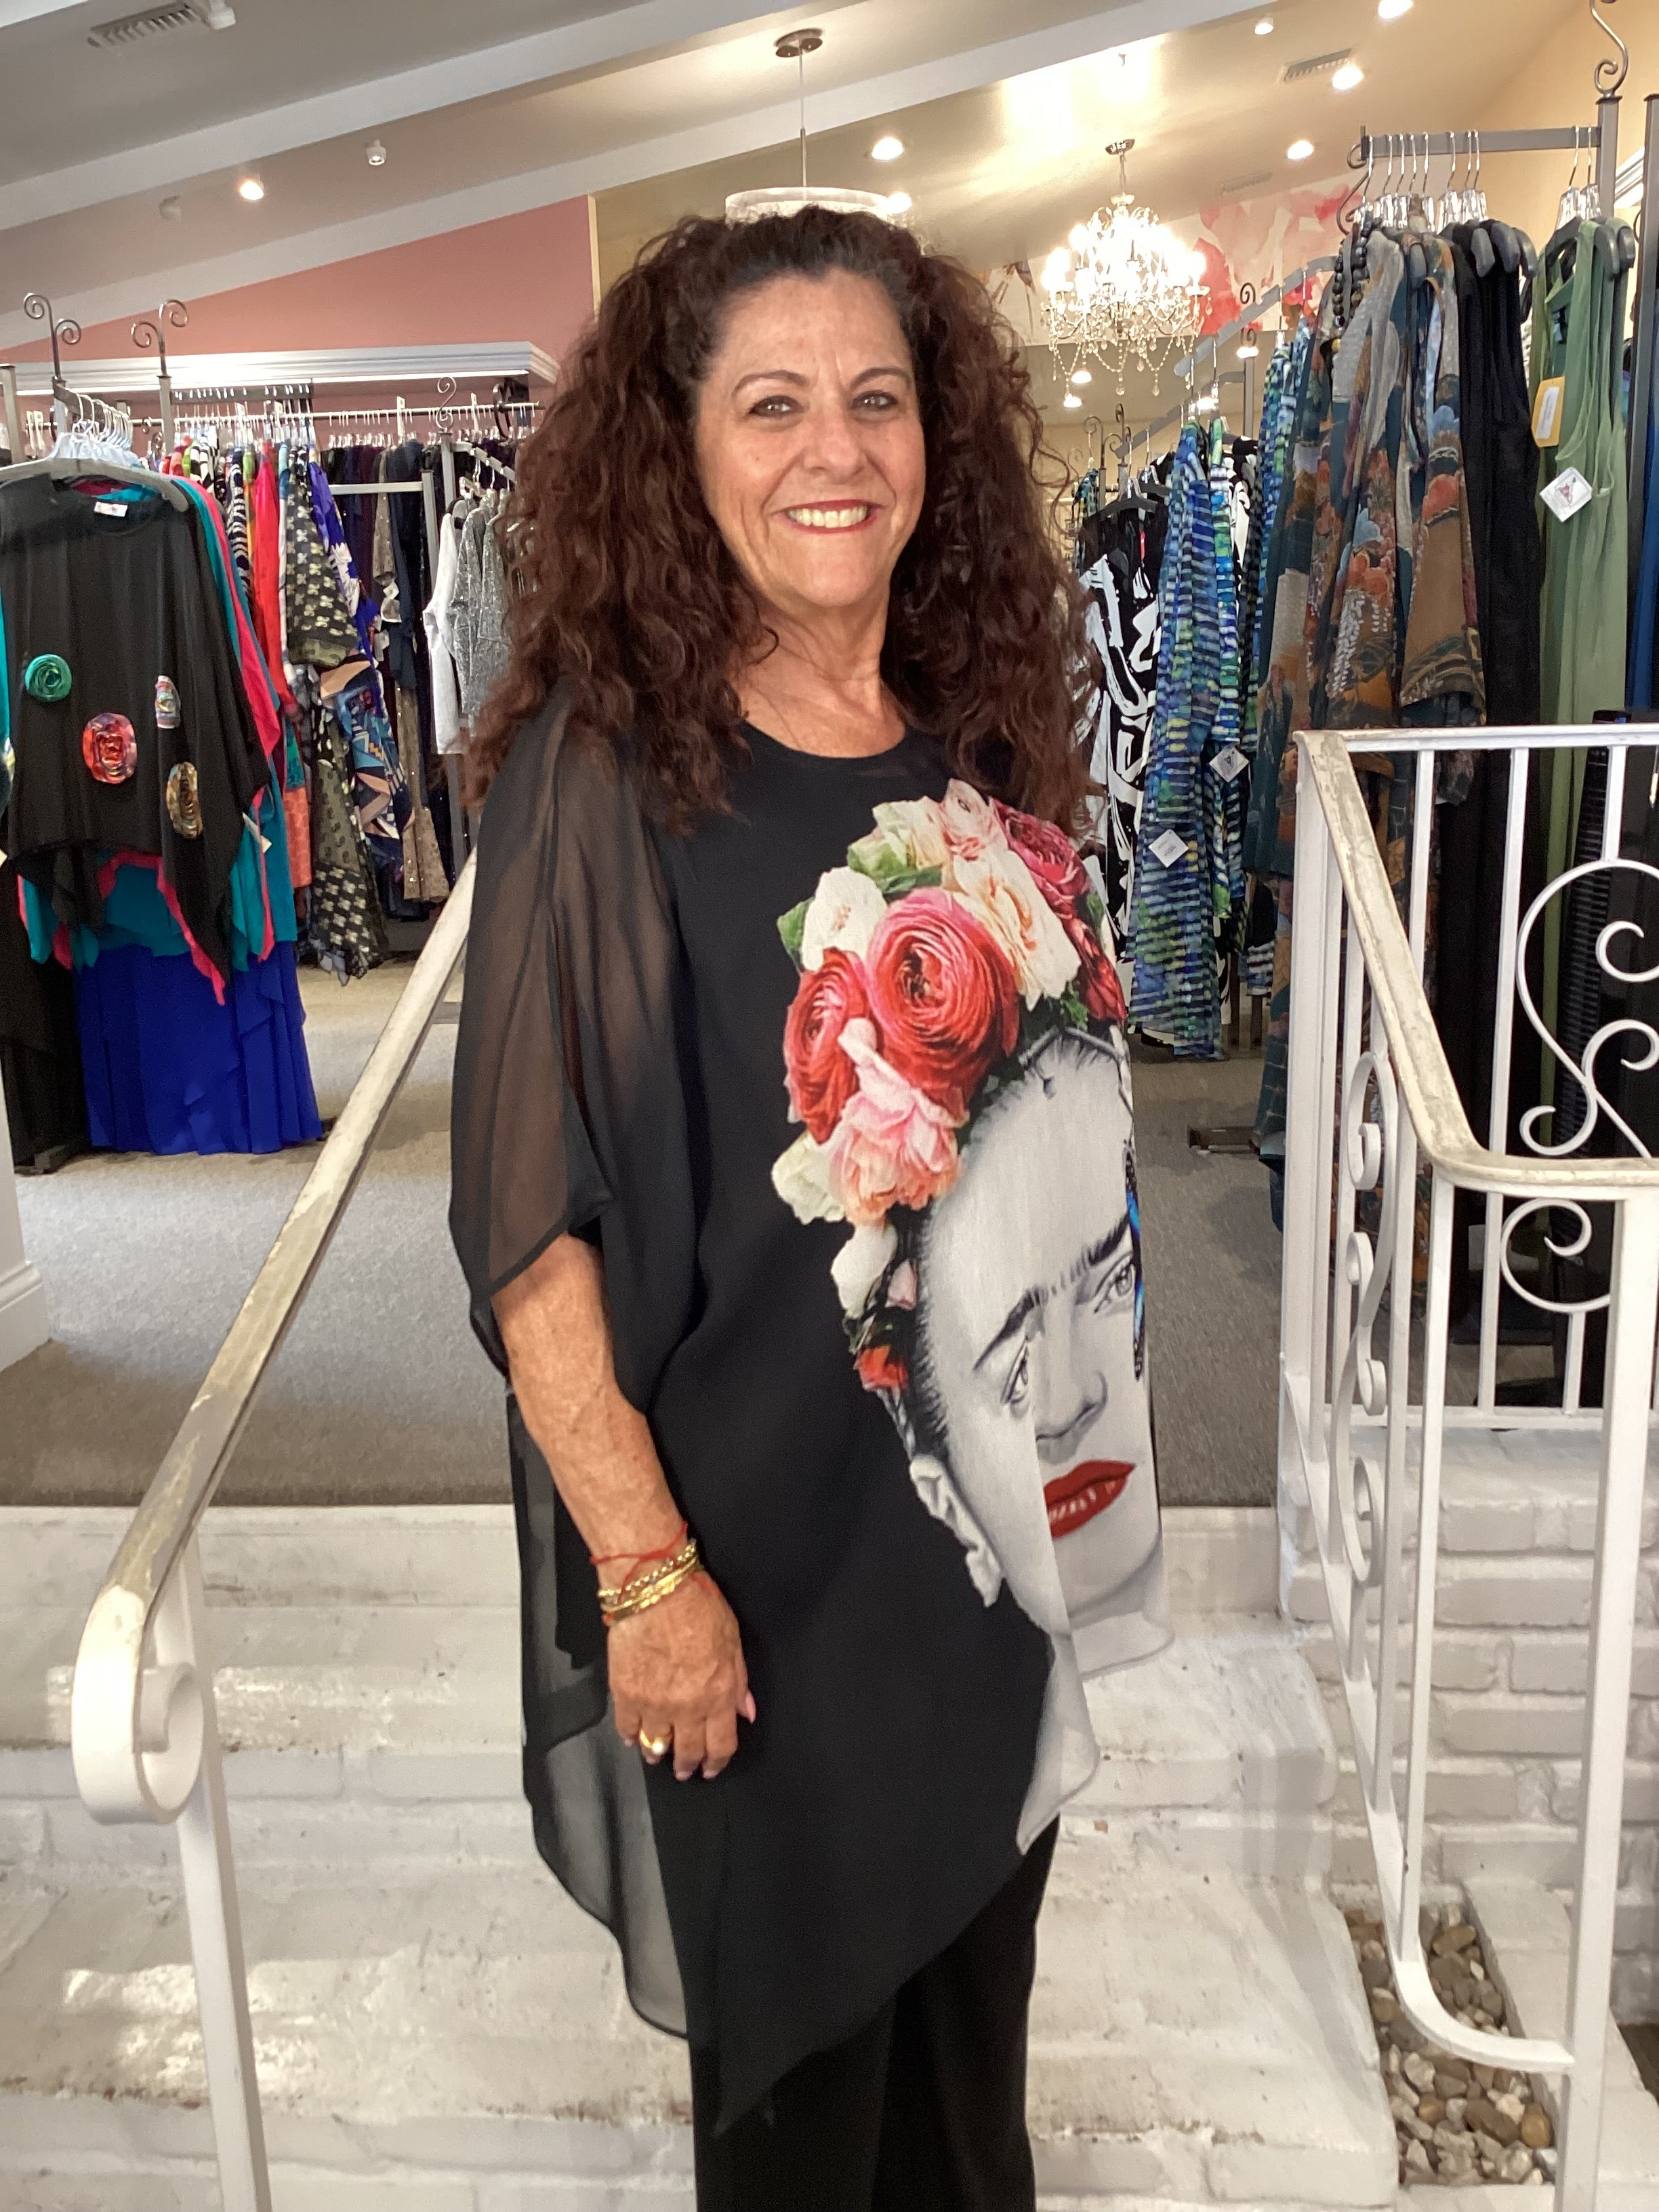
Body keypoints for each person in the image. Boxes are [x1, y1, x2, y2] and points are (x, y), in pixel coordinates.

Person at [449, 203, 1165, 2212]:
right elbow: (530, 1238)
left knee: (968, 2116)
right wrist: (647, 1581)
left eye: (876, 397)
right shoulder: (605, 778)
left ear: (940, 436)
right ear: (678, 454)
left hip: (978, 1562)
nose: (833, 449)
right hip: (758, 1593)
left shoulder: (976, 741)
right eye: (771, 406)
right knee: (804, 2140)